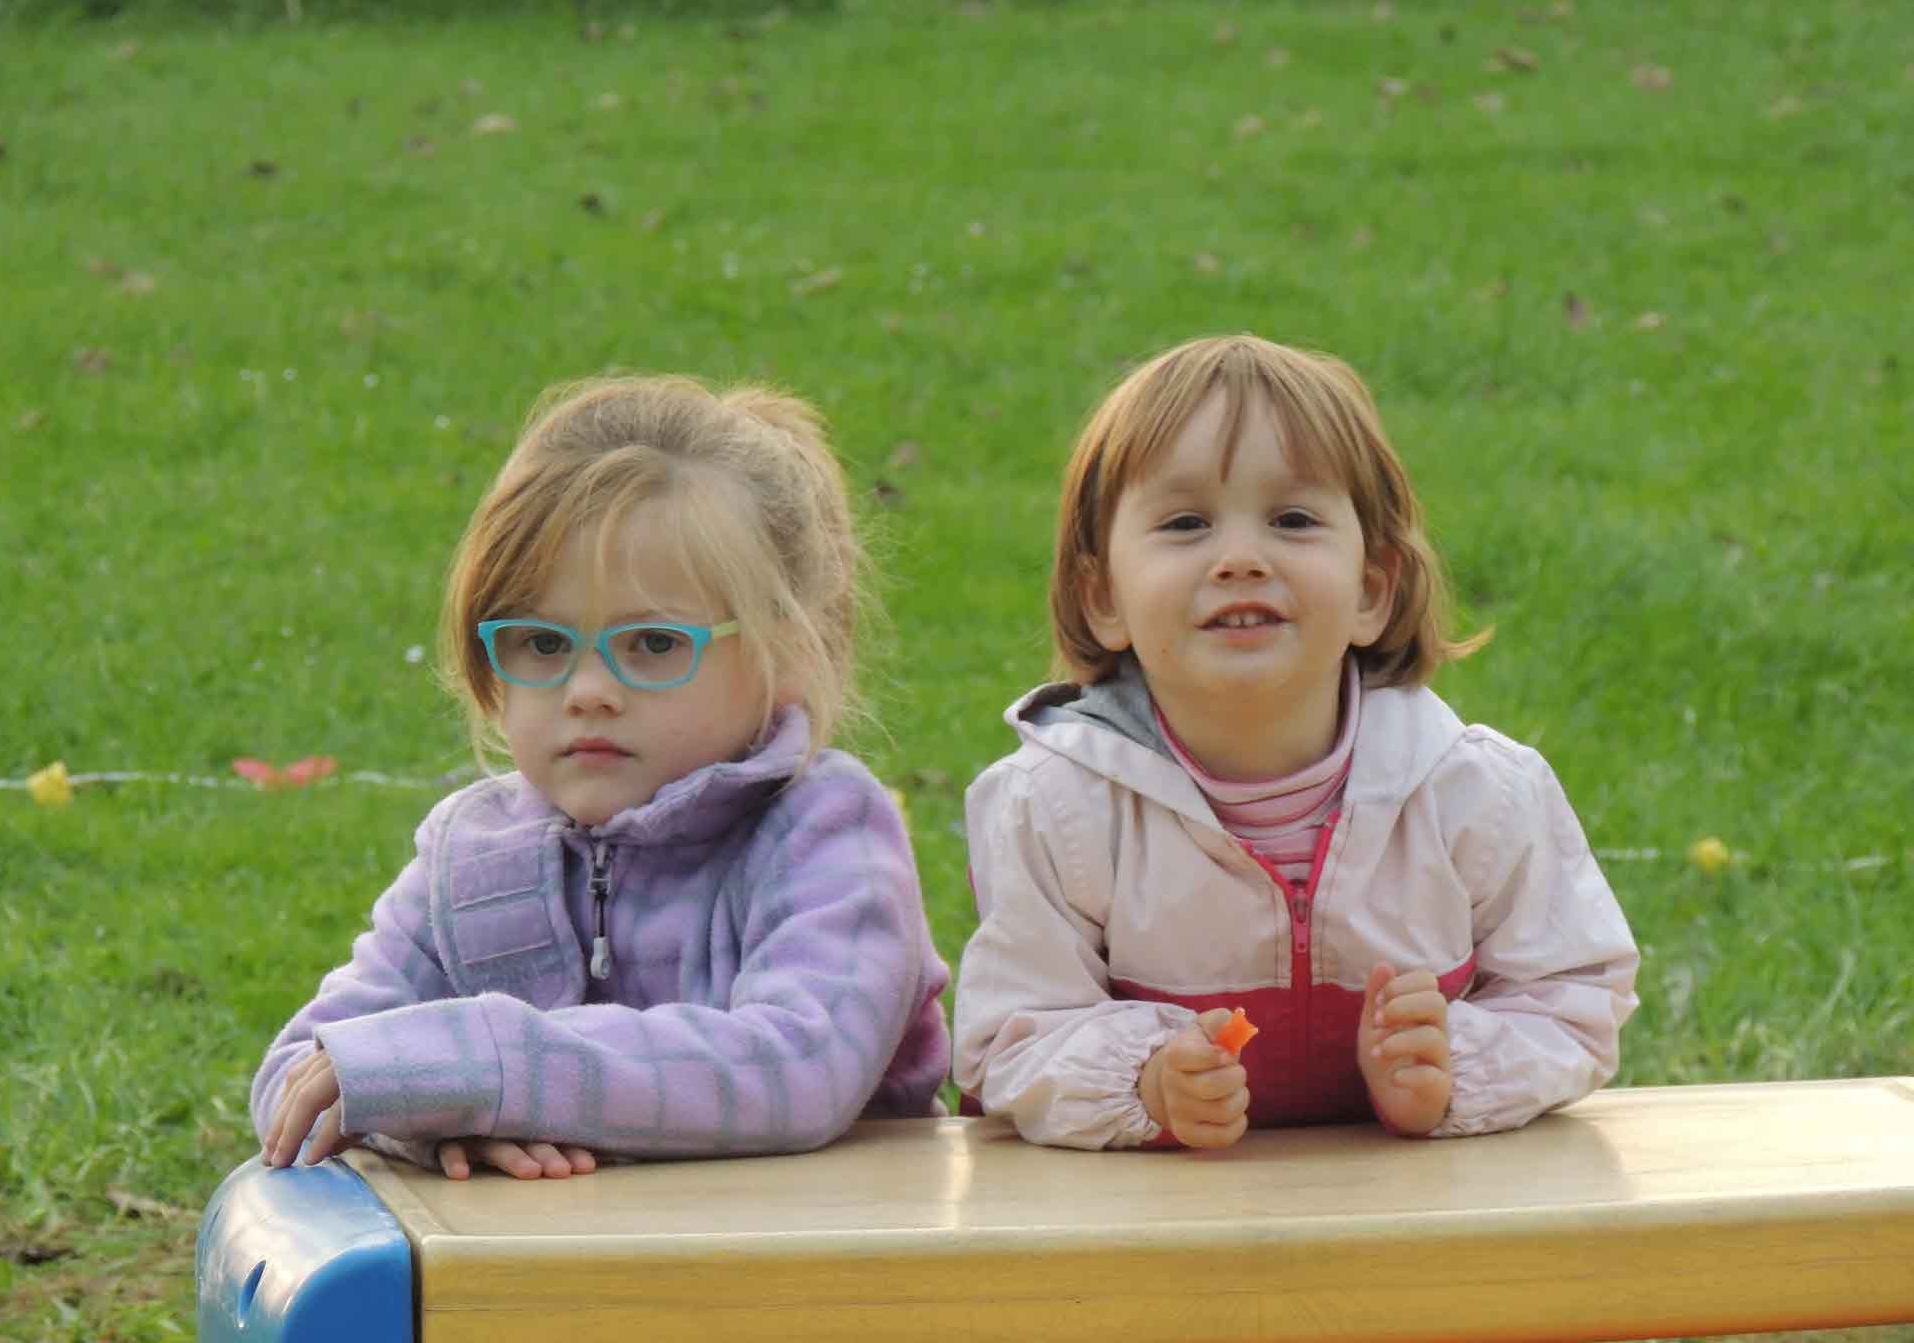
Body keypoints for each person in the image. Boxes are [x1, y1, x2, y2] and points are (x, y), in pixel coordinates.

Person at [254, 374, 951, 1179]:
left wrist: (493, 1071)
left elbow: (798, 1065)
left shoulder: (825, 829)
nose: (588, 691)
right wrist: (436, 1119)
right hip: (558, 1262)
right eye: (543, 643)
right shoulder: (469, 859)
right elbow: (298, 1077)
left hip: (820, 1254)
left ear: (791, 649)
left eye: (653, 644)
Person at [952, 334, 1638, 1149]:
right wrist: (1146, 1083)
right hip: (1154, 1214)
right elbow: (1011, 1036)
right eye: (1185, 523)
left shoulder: (1475, 796)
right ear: (1103, 598)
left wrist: (1451, 1068)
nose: (1241, 558)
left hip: (1414, 1211)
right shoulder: (1056, 809)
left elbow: (1573, 997)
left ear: (1372, 591)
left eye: (1293, 519)